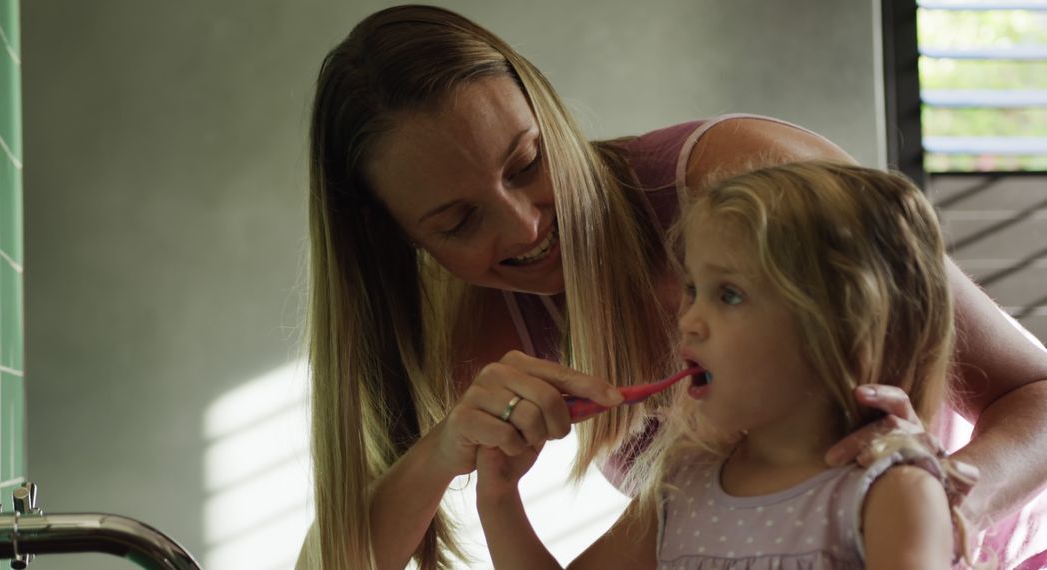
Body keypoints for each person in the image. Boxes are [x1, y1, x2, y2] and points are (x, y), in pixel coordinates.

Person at [298, 5, 1047, 569]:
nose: (525, 228)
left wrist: (939, 511)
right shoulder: (684, 484)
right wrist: (458, 461)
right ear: (402, 243)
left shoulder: (743, 183)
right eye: (459, 222)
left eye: (527, 163)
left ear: (550, 114)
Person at [475, 161, 978, 570]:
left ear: (843, 328)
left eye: (729, 295)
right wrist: (499, 500)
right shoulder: (683, 483)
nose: (689, 320)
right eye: (693, 290)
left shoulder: (892, 491)